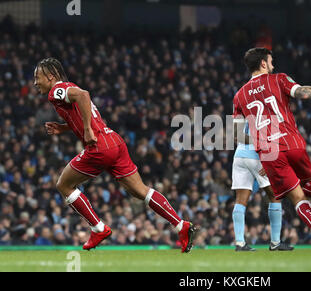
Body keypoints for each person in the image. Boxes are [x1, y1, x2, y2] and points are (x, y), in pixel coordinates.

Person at [33, 58, 197, 252]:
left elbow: (83, 96)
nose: (35, 82)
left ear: (50, 76)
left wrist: (86, 129)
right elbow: (84, 110)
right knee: (140, 191)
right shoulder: (67, 88)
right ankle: (181, 225)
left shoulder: (56, 91)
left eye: (37, 77)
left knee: (64, 185)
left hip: (99, 146)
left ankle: (98, 228)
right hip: (114, 141)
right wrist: (64, 128)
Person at [232, 47, 311, 252]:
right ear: (263, 63)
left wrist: (260, 140)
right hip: (292, 143)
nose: (273, 65)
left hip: (269, 152)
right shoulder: (279, 79)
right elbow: (303, 94)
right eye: (271, 61)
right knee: (306, 182)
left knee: (297, 200)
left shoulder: (239, 95)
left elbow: (236, 134)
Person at [232, 120, 293, 251]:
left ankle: (240, 243)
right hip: (256, 156)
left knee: (240, 200)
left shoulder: (244, 108)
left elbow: (236, 134)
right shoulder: (266, 110)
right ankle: (275, 242)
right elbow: (271, 138)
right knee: (275, 196)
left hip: (239, 155)